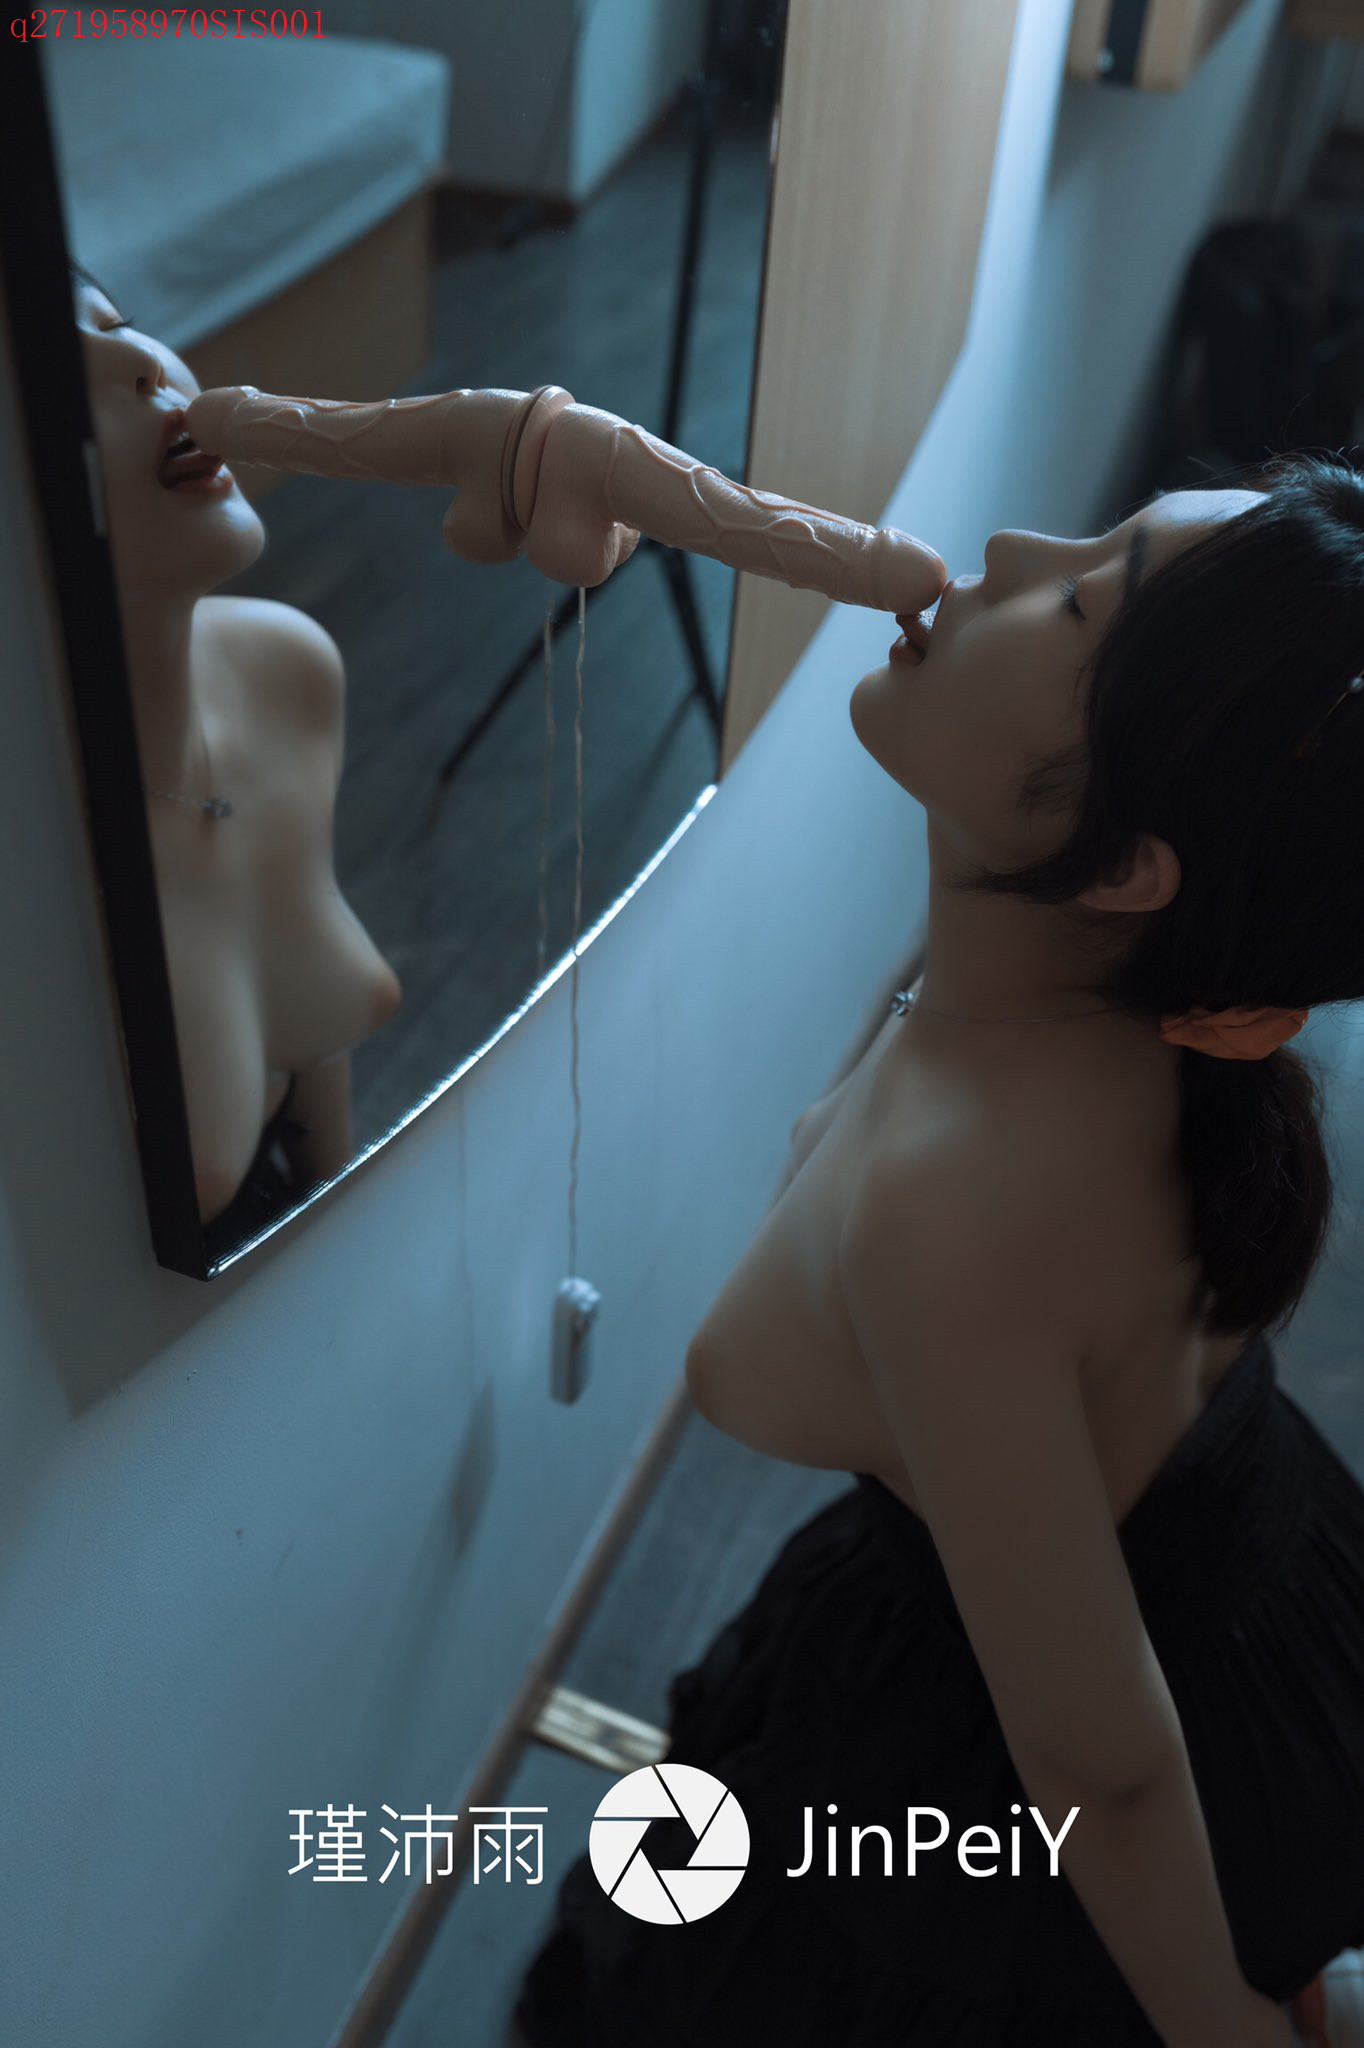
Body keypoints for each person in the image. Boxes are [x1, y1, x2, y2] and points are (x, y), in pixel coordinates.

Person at [511, 466, 1364, 2045]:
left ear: (1125, 863)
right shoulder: (1120, 1035)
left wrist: (1223, 2034)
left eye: (1081, 597)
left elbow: (1101, 1761)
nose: (1010, 548)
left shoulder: (955, 1218)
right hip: (1237, 1589)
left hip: (1050, 1792)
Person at [70, 263, 402, 1241]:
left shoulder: (285, 670)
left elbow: (317, 1062)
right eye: (59, 373)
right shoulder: (45, 881)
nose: (143, 362)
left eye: (120, 325)